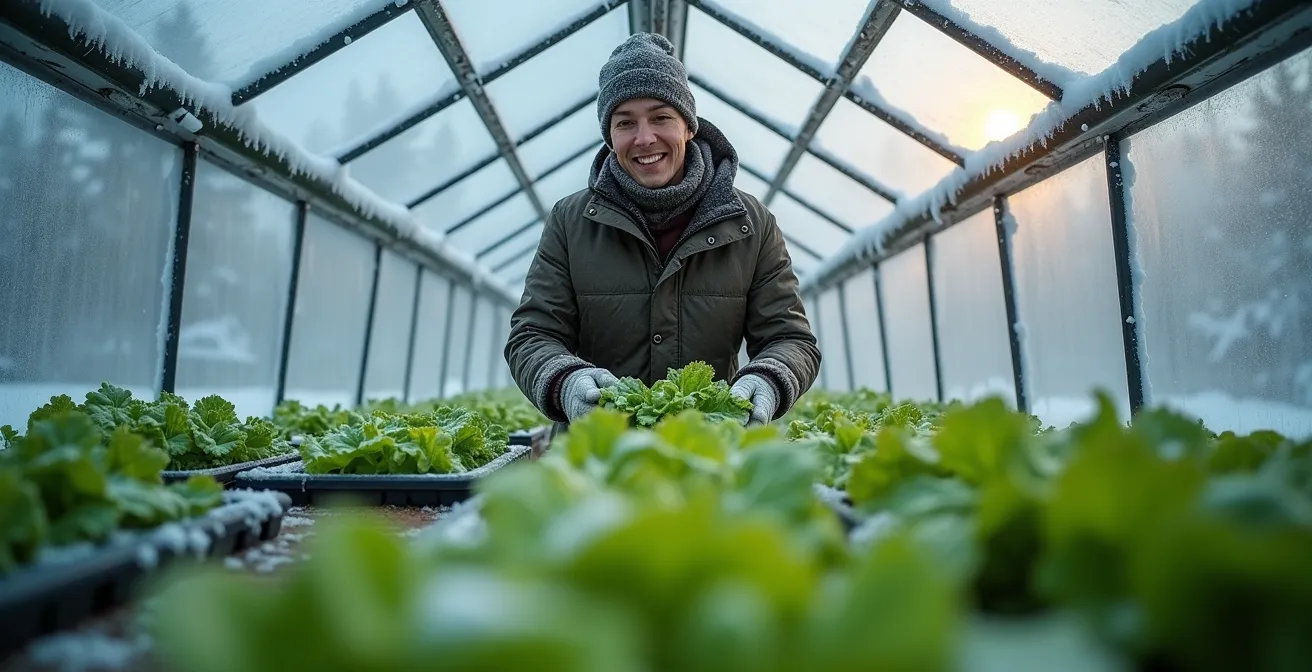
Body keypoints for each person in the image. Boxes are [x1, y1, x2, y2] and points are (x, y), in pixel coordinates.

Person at [504, 32, 820, 435]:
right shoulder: (571, 221)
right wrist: (565, 382)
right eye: (625, 123)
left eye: (660, 117)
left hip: (710, 452)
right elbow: (533, 335)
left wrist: (769, 380)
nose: (644, 138)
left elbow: (789, 338)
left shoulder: (751, 224)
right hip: (598, 458)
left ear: (688, 126)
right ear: (609, 136)